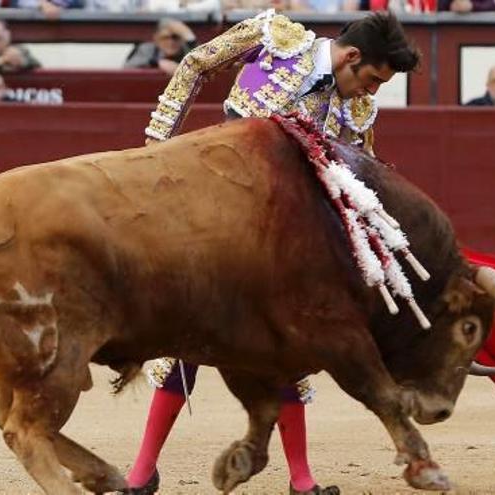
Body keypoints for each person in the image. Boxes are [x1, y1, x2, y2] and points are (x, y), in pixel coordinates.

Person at [130, 11, 421, 495]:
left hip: (283, 236)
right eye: (371, 79)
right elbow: (195, 64)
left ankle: (302, 481)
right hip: (215, 213)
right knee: (185, 343)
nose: (371, 93)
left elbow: (360, 176)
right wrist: (156, 148)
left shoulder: (359, 112)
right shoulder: (274, 36)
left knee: (292, 346)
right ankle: (140, 474)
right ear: (351, 57)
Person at [124, 19, 196, 75]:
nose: (171, 42)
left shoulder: (187, 50)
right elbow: (128, 67)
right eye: (165, 38)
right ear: (156, 39)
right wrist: (157, 63)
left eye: (175, 38)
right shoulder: (148, 49)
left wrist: (190, 38)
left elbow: (202, 62)